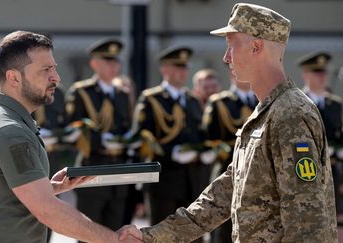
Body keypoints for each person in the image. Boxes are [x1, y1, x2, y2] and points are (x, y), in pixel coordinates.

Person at [119, 3, 337, 242]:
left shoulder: (291, 114)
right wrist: (153, 237)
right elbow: (223, 195)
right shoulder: (266, 113)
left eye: (232, 46)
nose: (226, 57)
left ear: (256, 47)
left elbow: (307, 220)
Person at [0, 31, 138, 243]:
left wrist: (49, 188)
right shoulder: (10, 130)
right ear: (14, 77)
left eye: (54, 68)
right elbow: (48, 211)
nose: (56, 77)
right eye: (46, 69)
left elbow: (5, 194)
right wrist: (113, 239)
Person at [130, 46, 211, 233]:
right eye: (176, 67)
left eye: (184, 67)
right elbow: (142, 138)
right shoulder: (151, 99)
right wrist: (171, 152)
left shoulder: (192, 100)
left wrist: (205, 150)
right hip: (163, 179)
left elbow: (200, 134)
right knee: (163, 233)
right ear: (164, 69)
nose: (182, 72)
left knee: (193, 233)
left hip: (192, 179)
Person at [64, 38, 133, 236]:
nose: (114, 66)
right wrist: (99, 140)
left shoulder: (121, 93)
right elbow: (73, 129)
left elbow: (125, 126)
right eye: (107, 61)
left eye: (116, 61)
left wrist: (127, 140)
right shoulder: (81, 92)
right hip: (91, 166)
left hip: (118, 169)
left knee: (115, 231)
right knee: (89, 232)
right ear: (94, 64)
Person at [201, 67, 257, 243]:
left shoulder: (262, 100)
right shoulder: (219, 102)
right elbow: (208, 138)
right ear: (231, 73)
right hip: (228, 171)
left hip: (256, 173)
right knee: (223, 228)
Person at [297, 51, 343, 222]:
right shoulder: (297, 102)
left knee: (335, 218)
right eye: (317, 73)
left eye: (324, 73)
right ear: (306, 75)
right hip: (305, 169)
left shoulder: (336, 104)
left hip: (332, 170)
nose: (322, 77)